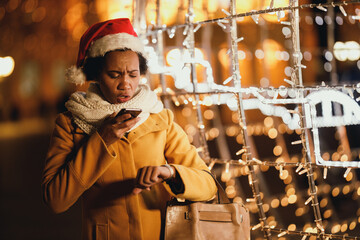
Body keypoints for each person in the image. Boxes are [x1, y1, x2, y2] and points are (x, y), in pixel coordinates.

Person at [41, 18, 217, 240]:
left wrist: (169, 172)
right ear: (96, 75)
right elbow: (56, 200)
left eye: (133, 74)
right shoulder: (70, 124)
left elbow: (208, 185)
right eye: (114, 75)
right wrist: (101, 139)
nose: (126, 84)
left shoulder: (159, 119)